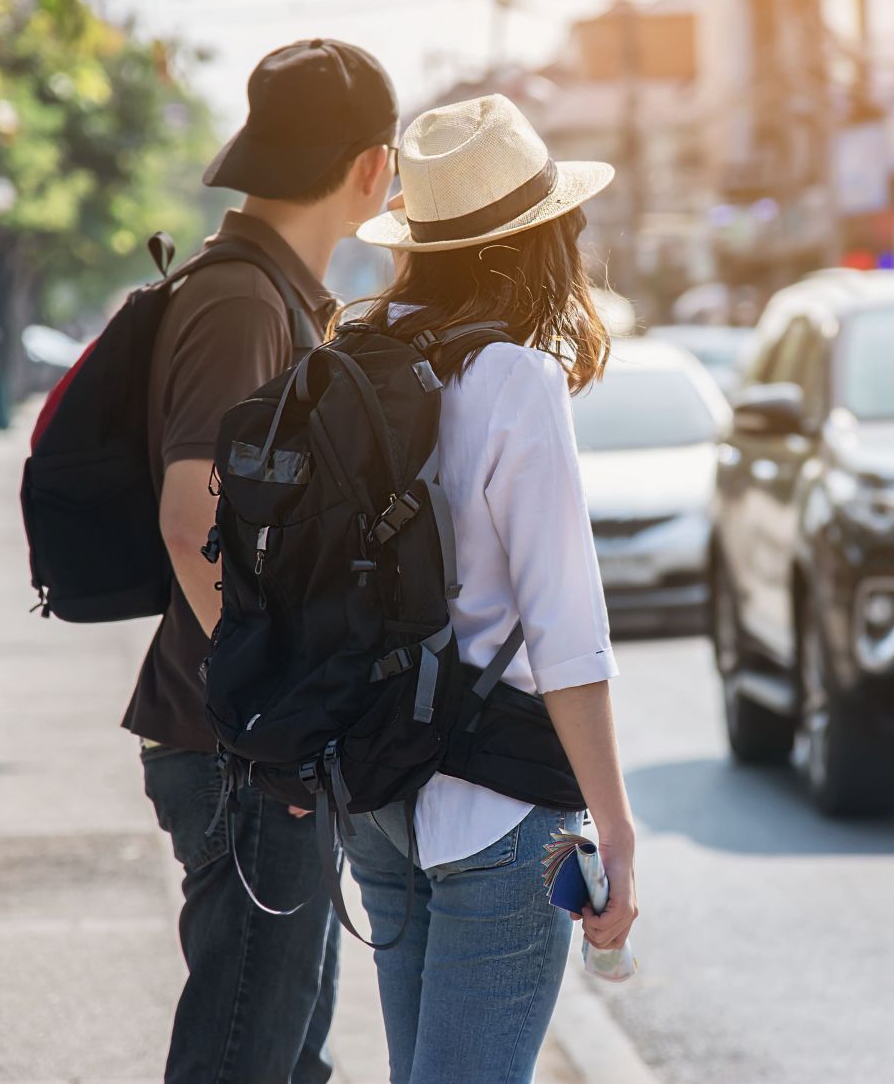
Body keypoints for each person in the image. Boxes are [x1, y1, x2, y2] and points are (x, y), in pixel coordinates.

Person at [345, 93, 641, 1083]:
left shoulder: (355, 353)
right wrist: (615, 827)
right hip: (500, 810)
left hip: (378, 788)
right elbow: (566, 632)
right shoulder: (516, 378)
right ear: (531, 247)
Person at [125, 38, 398, 1084]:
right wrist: (275, 706)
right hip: (240, 744)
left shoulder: (273, 293)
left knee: (288, 1057)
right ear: (372, 167)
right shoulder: (244, 302)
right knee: (245, 1060)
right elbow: (193, 510)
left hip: (254, 744)